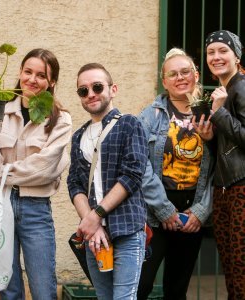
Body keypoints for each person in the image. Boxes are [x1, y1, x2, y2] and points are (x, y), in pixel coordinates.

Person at [0, 48, 72, 300]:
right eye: (28, 72)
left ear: (52, 82)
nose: (32, 79)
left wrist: (1, 173)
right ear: (20, 72)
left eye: (41, 75)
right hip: (0, 206)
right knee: (9, 288)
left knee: (43, 290)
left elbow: (46, 168)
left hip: (36, 209)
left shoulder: (60, 120)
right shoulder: (0, 110)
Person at [137, 48, 214, 300]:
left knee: (176, 289)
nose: (180, 77)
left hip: (193, 212)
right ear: (164, 81)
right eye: (173, 74)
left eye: (185, 71)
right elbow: (141, 165)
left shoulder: (214, 114)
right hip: (155, 211)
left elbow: (221, 168)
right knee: (141, 284)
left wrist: (202, 212)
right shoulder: (149, 116)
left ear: (196, 74)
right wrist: (163, 209)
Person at [67, 63, 148, 299]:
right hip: (95, 235)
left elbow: (132, 175)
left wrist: (96, 215)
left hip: (127, 229)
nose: (90, 94)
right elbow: (74, 184)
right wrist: (91, 224)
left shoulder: (129, 124)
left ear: (113, 89)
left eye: (97, 86)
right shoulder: (78, 136)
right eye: (83, 90)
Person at [201, 30, 245, 300]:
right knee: (232, 269)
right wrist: (209, 137)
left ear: (237, 56)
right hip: (226, 188)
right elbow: (229, 147)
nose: (216, 57)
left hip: (241, 189)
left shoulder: (241, 87)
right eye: (210, 52)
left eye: (223, 50)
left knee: (240, 273)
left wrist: (219, 113)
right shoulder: (224, 90)